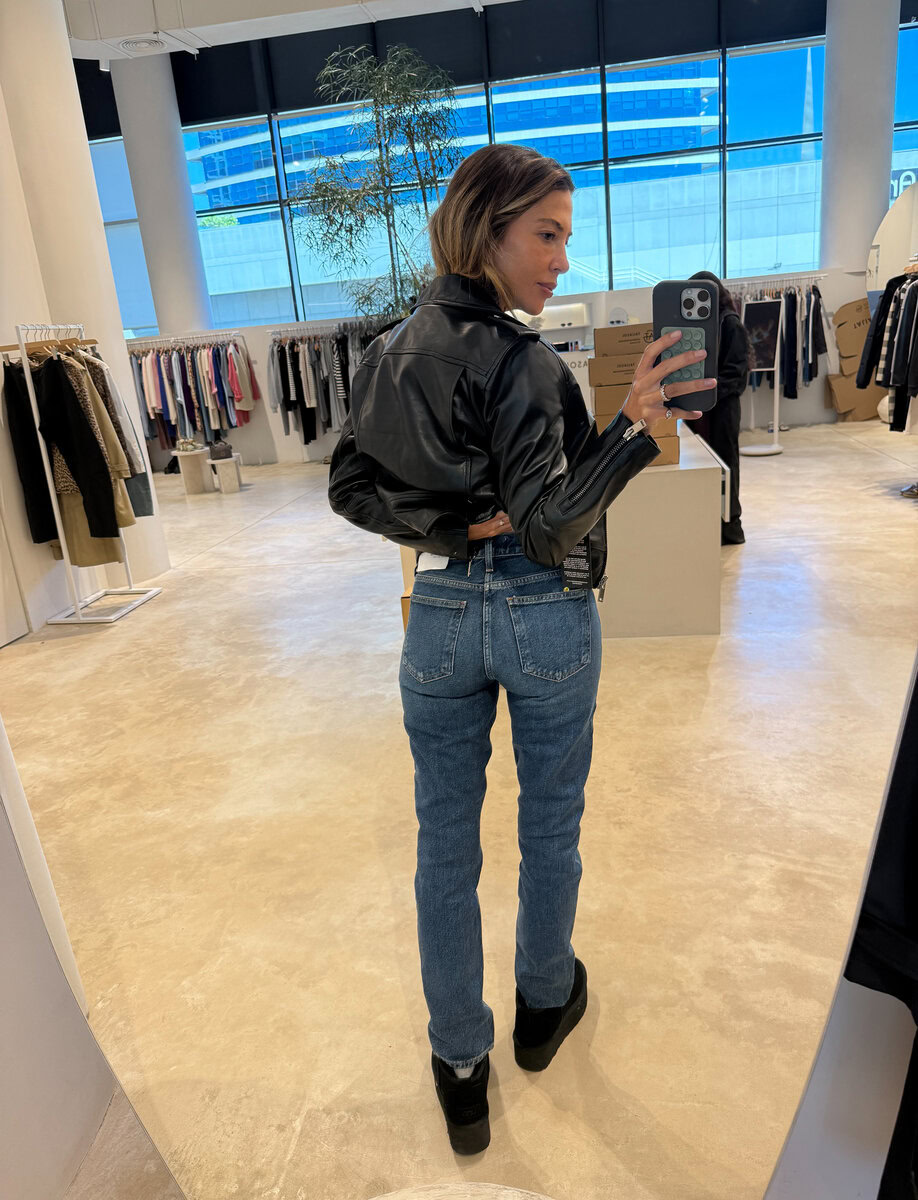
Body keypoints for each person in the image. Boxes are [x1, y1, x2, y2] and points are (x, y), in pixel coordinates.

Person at [328, 143, 712, 1155]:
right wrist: (632, 434)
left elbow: (347, 488)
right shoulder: (524, 361)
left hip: (440, 619)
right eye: (546, 234)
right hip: (543, 613)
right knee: (549, 825)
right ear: (486, 230)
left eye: (564, 238)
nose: (560, 260)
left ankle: (460, 1063)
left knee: (443, 849)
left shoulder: (382, 352)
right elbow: (548, 531)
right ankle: (544, 1005)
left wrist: (449, 530)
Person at [689, 270, 752, 545]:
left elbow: (736, 375)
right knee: (704, 467)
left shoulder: (729, 323)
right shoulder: (701, 327)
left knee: (726, 466)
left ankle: (730, 527)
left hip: (723, 410)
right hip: (701, 410)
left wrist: (705, 391)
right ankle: (710, 524)